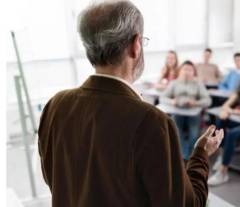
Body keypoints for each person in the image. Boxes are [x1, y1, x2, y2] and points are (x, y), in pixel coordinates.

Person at [37, 1, 224, 206]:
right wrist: (201, 154)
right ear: (136, 45)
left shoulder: (55, 106)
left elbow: (55, 180)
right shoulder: (152, 122)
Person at [160, 61, 212, 160]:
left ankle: (191, 157)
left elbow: (208, 100)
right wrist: (172, 101)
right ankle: (183, 156)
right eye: (184, 69)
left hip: (193, 113)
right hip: (177, 112)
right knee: (176, 133)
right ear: (180, 71)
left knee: (194, 134)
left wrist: (195, 103)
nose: (186, 72)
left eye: (190, 70)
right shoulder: (174, 83)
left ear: (194, 72)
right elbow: (162, 98)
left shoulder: (198, 84)